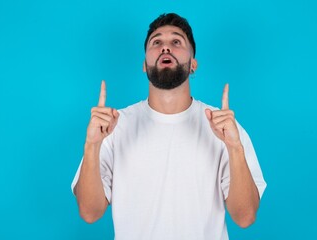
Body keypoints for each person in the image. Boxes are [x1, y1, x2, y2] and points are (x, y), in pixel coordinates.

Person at [71, 13, 266, 240]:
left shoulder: (225, 129)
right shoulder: (113, 127)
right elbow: (89, 212)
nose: (165, 48)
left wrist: (234, 147)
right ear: (144, 65)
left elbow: (245, 217)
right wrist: (92, 145)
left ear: (193, 64)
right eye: (157, 42)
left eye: (176, 42)